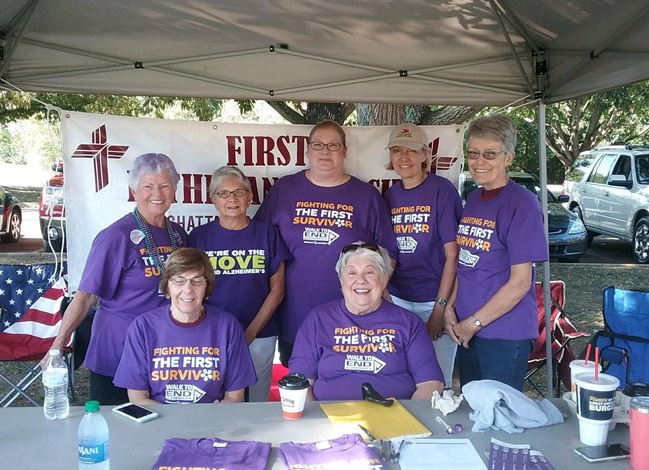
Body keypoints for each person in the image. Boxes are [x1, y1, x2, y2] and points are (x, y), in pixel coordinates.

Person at [45, 153, 187, 405]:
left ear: (175, 189)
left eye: (165, 185)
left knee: (162, 428)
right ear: (134, 191)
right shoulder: (115, 236)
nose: (157, 193)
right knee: (116, 432)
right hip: (118, 352)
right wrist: (57, 345)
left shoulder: (177, 234)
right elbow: (86, 296)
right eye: (148, 186)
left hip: (164, 353)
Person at [254, 120, 398, 366]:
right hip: (294, 315)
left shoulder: (366, 196)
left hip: (351, 317)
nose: (325, 151)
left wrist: (372, 299)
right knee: (301, 386)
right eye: (318, 145)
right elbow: (261, 244)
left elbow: (388, 254)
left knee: (344, 385)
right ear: (308, 150)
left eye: (333, 145)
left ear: (344, 151)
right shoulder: (284, 190)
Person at [444, 115, 548, 391]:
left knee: (501, 419)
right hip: (468, 330)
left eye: (490, 154)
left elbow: (520, 282)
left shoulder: (522, 204)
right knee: (475, 414)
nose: (480, 162)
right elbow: (466, 265)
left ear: (508, 157)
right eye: (474, 154)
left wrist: (473, 323)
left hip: (503, 334)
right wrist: (450, 308)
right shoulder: (475, 199)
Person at [289, 242, 444, 401]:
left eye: (369, 272)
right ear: (341, 280)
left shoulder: (410, 323)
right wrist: (316, 423)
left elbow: (431, 384)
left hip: (393, 419)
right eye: (352, 273)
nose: (360, 280)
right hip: (328, 420)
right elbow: (300, 384)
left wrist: (405, 423)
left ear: (384, 279)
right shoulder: (317, 319)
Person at [188, 166, 288, 402]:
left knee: (256, 399)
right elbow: (189, 289)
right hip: (211, 333)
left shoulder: (267, 234)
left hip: (260, 333)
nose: (232, 199)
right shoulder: (199, 237)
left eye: (239, 192)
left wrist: (250, 332)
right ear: (213, 200)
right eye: (223, 193)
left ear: (250, 197)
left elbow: (278, 289)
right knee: (215, 395)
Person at [113, 248, 257, 404]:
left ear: (207, 288)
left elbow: (234, 396)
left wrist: (209, 420)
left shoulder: (228, 327)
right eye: (179, 281)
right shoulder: (142, 327)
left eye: (197, 281)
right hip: (159, 423)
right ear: (167, 287)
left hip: (212, 421)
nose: (188, 290)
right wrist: (175, 423)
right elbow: (137, 397)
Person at [383, 123, 462, 388]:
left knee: (438, 381)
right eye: (397, 151)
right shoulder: (390, 195)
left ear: (425, 155)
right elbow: (388, 254)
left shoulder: (442, 191)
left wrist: (440, 310)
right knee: (402, 378)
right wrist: (385, 297)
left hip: (434, 299)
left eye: (412, 150)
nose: (404, 158)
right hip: (399, 300)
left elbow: (454, 256)